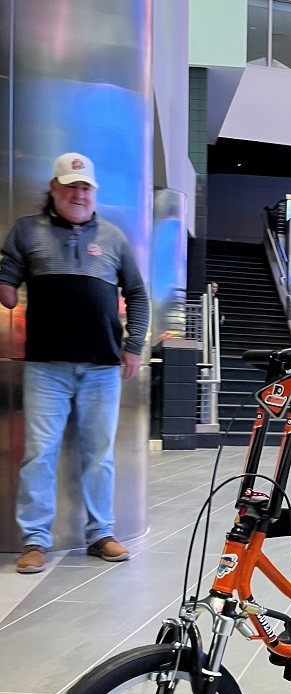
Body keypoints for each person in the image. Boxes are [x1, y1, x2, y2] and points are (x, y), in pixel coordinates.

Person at [0, 152, 149, 573]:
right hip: (46, 367)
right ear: (54, 188)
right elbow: (7, 284)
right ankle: (35, 541)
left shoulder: (115, 238)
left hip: (103, 367)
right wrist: (7, 281)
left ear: (93, 192)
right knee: (38, 455)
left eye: (85, 187)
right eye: (70, 186)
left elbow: (137, 294)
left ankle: (101, 533)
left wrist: (134, 345)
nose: (77, 194)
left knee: (99, 454)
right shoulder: (27, 231)